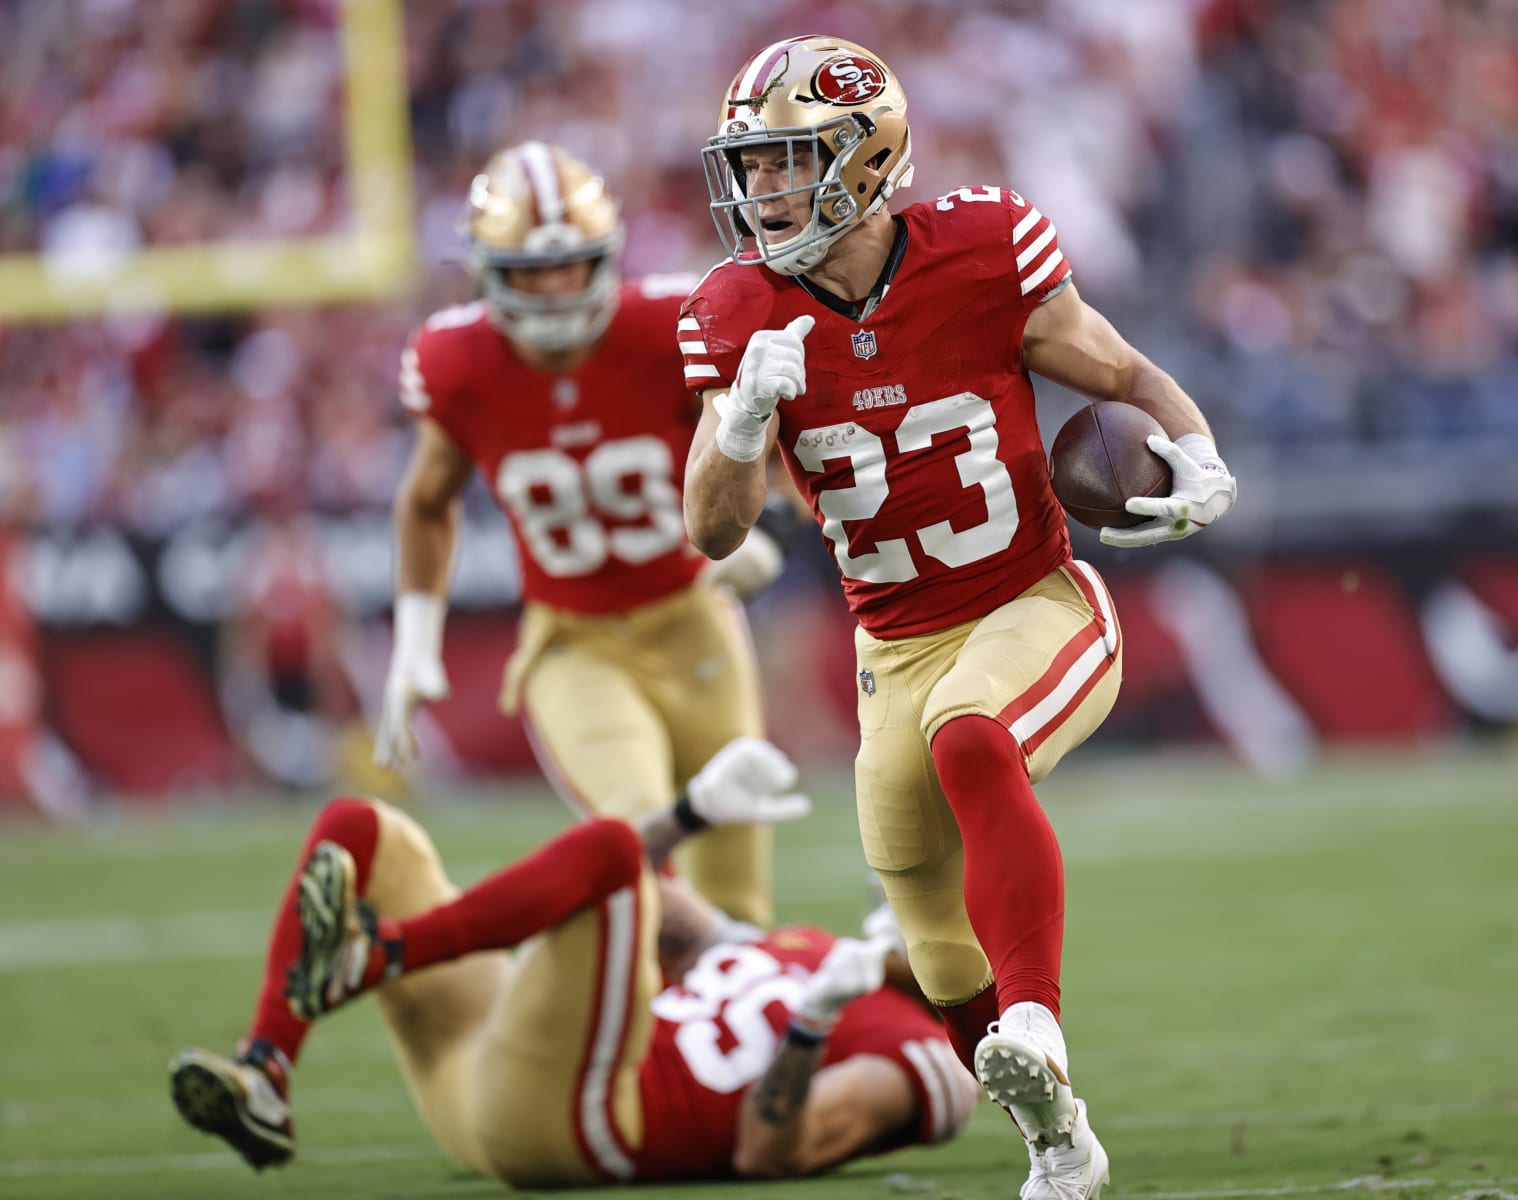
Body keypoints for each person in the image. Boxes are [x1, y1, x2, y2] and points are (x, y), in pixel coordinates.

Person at [679, 35, 1239, 1199]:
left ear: (867, 158)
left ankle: (1039, 1024)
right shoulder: (740, 309)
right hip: (893, 645)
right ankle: (1058, 1142)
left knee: (975, 736)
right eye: (753, 164)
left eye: (787, 161)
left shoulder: (984, 249)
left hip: (1034, 599)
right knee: (936, 949)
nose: (762, 189)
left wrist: (1196, 456)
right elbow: (712, 529)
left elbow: (1125, 378)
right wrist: (741, 423)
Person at [168, 737, 978, 1185]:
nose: (898, 900)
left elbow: (769, 1154)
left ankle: (378, 959)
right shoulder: (818, 950)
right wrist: (691, 816)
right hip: (505, 1066)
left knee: (609, 852)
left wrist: (810, 1025)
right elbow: (664, 910)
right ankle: (267, 1071)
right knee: (362, 830)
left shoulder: (927, 1059)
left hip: (582, 1121)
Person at [377, 141, 784, 925]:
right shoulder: (457, 362)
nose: (558, 289)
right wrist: (414, 642)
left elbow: (778, 441)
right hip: (575, 642)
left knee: (740, 900)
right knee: (639, 843)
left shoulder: (672, 325)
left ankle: (732, 1042)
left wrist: (766, 527)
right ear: (487, 270)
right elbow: (428, 500)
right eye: (533, 271)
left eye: (572, 266)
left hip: (695, 623)